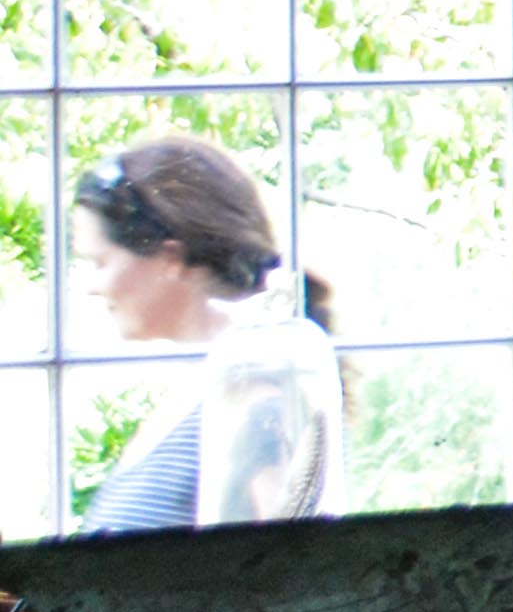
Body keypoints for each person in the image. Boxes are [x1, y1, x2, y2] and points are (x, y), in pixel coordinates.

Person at [68, 138, 335, 534]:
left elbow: (295, 569)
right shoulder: (209, 388)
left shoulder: (259, 396)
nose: (91, 286)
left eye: (100, 262)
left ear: (170, 258)